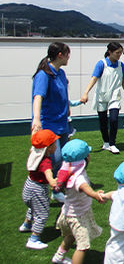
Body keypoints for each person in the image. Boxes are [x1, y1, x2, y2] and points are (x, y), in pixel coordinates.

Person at [51, 139, 105, 264]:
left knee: (70, 236)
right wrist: (95, 195)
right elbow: (85, 188)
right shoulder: (78, 178)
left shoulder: (67, 171)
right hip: (77, 217)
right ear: (84, 160)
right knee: (83, 247)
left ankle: (59, 257)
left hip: (67, 212)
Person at [32, 42, 71, 202]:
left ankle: (56, 189)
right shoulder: (43, 75)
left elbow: (63, 94)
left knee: (63, 158)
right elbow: (38, 97)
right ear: (60, 55)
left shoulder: (60, 73)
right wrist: (36, 119)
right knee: (54, 158)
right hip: (48, 125)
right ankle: (40, 188)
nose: (69, 57)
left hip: (62, 123)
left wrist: (67, 108)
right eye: (67, 54)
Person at [80, 42, 124, 154]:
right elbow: (94, 78)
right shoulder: (101, 64)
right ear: (110, 52)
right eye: (117, 53)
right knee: (103, 121)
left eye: (121, 53)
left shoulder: (121, 66)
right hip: (102, 95)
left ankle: (112, 143)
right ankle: (106, 142)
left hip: (115, 96)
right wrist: (85, 93)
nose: (119, 55)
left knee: (114, 119)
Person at [20, 129, 60, 250]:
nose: (56, 146)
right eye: (54, 144)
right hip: (38, 189)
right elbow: (50, 178)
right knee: (42, 214)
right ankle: (34, 239)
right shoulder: (45, 162)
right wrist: (56, 181)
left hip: (28, 187)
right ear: (48, 148)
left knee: (32, 207)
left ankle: (26, 224)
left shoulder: (35, 152)